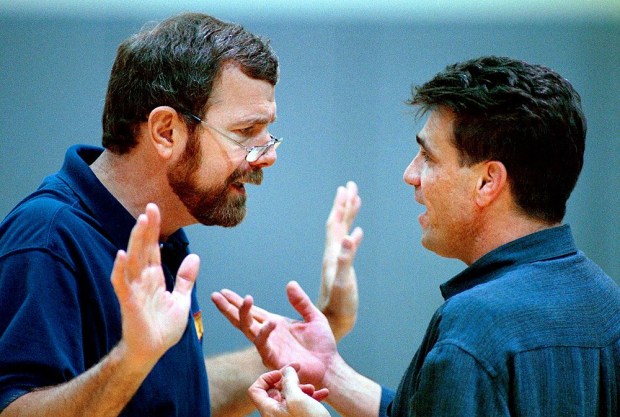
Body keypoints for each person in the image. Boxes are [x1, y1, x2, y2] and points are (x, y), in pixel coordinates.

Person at [0, 12, 364, 417]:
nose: (270, 156)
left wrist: (307, 339)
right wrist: (131, 360)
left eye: (267, 133)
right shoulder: (48, 240)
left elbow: (166, 400)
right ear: (166, 132)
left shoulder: (160, 234)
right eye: (245, 133)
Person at [214, 56, 620, 416]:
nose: (411, 175)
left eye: (428, 156)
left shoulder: (476, 327)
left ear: (487, 182)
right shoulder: (607, 302)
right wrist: (331, 374)